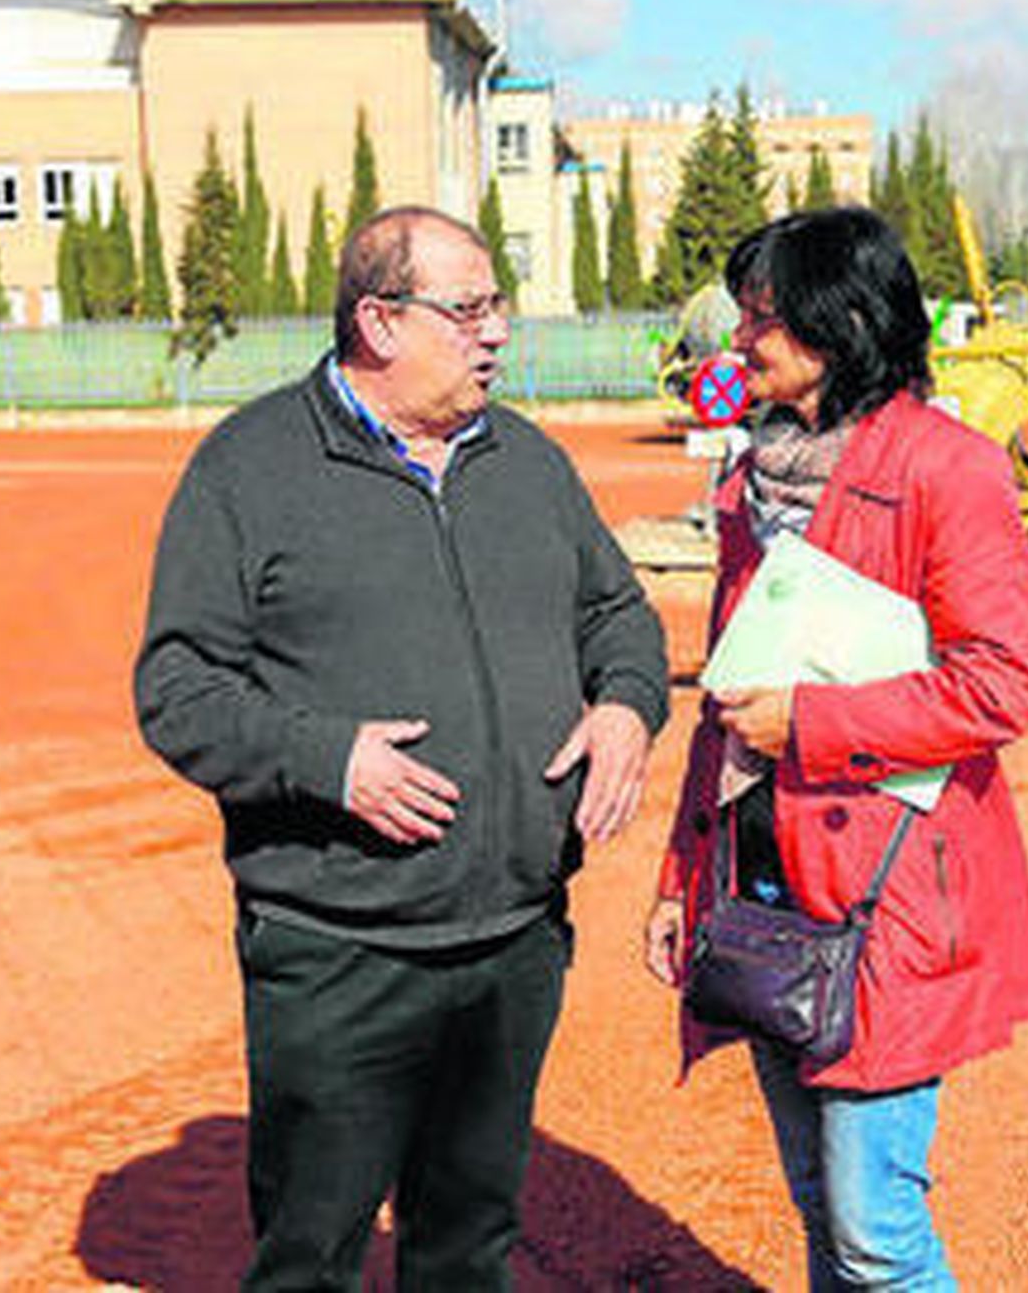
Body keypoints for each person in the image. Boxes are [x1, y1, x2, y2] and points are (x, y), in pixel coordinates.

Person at [136, 206, 668, 1292]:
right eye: (468, 309)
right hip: (339, 954)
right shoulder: (250, 467)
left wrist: (625, 704)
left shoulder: (524, 458)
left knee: (468, 1243)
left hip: (515, 938)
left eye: (496, 306)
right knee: (312, 1252)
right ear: (379, 320)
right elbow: (177, 685)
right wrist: (327, 758)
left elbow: (618, 613)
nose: (497, 333)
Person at [643, 207, 1028, 1290]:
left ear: (845, 322)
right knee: (820, 1209)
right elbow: (729, 697)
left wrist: (813, 726)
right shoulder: (754, 477)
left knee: (875, 1231)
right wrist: (686, 875)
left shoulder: (946, 469)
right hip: (764, 875)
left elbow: (1000, 683)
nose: (742, 343)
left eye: (763, 319)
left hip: (891, 891)